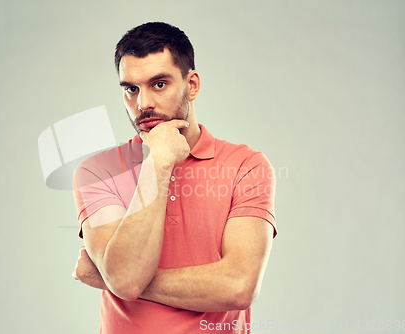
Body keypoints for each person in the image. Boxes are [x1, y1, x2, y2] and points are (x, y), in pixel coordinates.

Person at [72, 22, 276, 334]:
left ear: (191, 84)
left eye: (159, 84)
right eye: (131, 89)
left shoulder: (246, 166)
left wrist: (109, 277)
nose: (143, 104)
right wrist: (158, 163)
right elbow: (125, 279)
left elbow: (239, 287)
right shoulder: (98, 173)